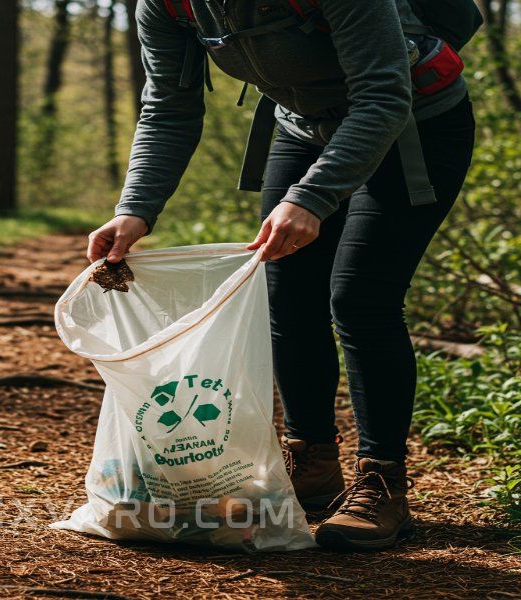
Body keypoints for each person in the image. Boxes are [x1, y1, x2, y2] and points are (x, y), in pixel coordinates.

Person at [85, 0, 475, 550]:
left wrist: (311, 199)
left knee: (361, 298)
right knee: (288, 296)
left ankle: (381, 482)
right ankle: (312, 461)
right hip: (304, 127)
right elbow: (168, 108)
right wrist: (135, 208)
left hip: (414, 125)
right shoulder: (167, 6)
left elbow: (384, 97)